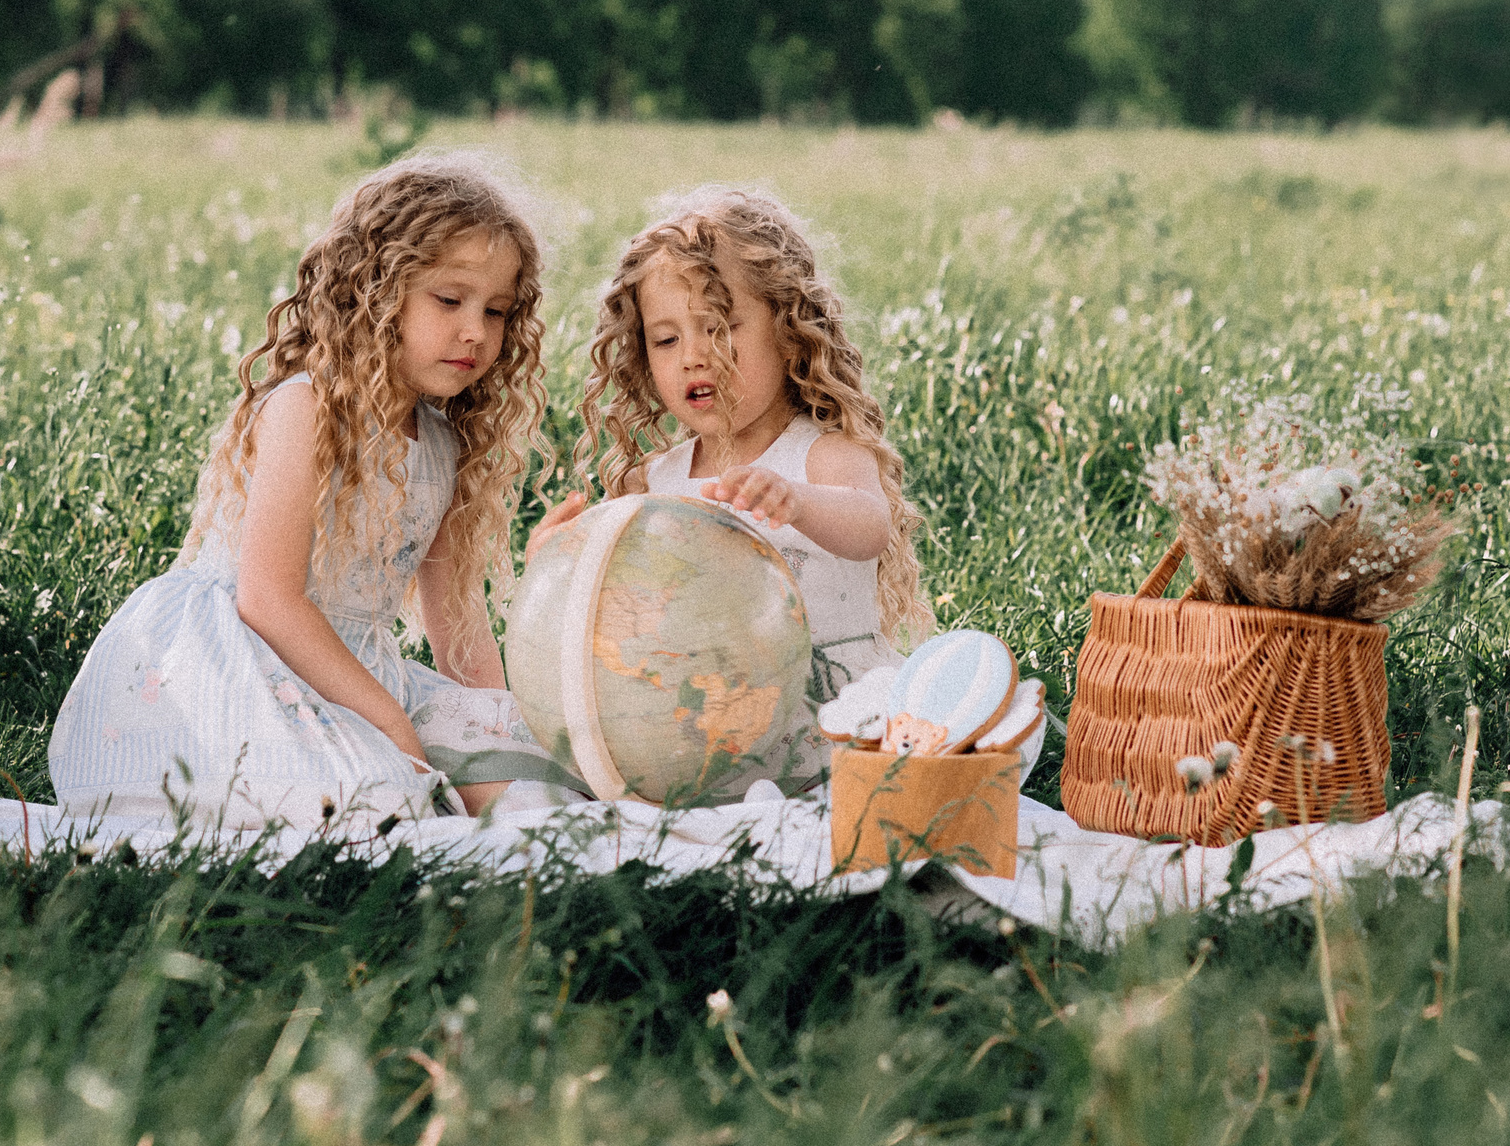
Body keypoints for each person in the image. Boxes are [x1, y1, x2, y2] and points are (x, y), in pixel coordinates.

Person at [49, 157, 577, 829]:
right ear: (375, 292)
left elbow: (460, 628)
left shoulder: (443, 443)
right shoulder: (306, 408)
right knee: (379, 804)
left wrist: (497, 730)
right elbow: (267, 598)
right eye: (450, 300)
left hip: (356, 671)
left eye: (496, 311)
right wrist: (386, 719)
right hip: (238, 662)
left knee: (532, 791)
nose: (475, 330)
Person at [556, 188, 933, 777]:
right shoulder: (653, 480)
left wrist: (798, 502)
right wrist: (562, 552)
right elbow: (614, 598)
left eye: (720, 327)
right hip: (710, 728)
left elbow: (870, 528)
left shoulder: (823, 456)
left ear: (789, 332)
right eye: (667, 339)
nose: (694, 357)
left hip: (831, 722)